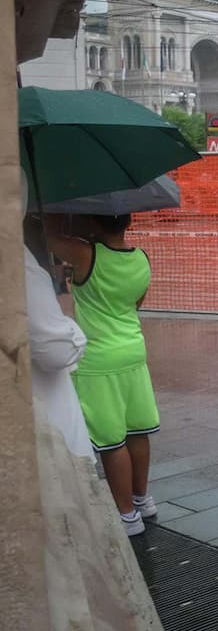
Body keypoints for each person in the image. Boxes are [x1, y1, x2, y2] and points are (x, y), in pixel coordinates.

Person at [43, 211, 159, 536]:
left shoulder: (85, 254)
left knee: (111, 440)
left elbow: (48, 240)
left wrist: (55, 216)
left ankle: (126, 516)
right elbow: (135, 304)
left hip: (99, 360)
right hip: (133, 351)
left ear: (93, 222)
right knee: (137, 431)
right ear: (128, 221)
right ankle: (143, 501)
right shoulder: (142, 258)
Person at [22, 173, 93, 460]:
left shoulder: (82, 254)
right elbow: (56, 350)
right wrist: (69, 322)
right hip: (42, 420)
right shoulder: (18, 265)